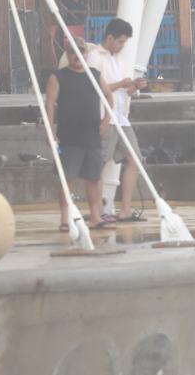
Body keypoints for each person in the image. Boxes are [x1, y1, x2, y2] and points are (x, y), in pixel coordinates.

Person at [87, 18, 146, 222]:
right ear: (110, 38)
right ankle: (99, 210)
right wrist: (120, 84)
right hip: (105, 116)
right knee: (99, 163)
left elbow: (124, 90)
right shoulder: (94, 57)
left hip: (122, 117)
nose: (121, 46)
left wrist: (134, 87)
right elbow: (94, 88)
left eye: (124, 43)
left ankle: (126, 208)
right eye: (120, 42)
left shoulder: (119, 59)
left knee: (135, 159)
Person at [46, 40, 109, 230]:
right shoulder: (58, 77)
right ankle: (65, 218)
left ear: (86, 54)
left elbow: (109, 97)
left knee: (94, 177)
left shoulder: (95, 75)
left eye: (80, 51)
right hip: (69, 134)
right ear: (67, 54)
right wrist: (49, 131)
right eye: (72, 52)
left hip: (91, 134)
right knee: (67, 178)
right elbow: (50, 104)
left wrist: (106, 120)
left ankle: (96, 216)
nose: (76, 56)